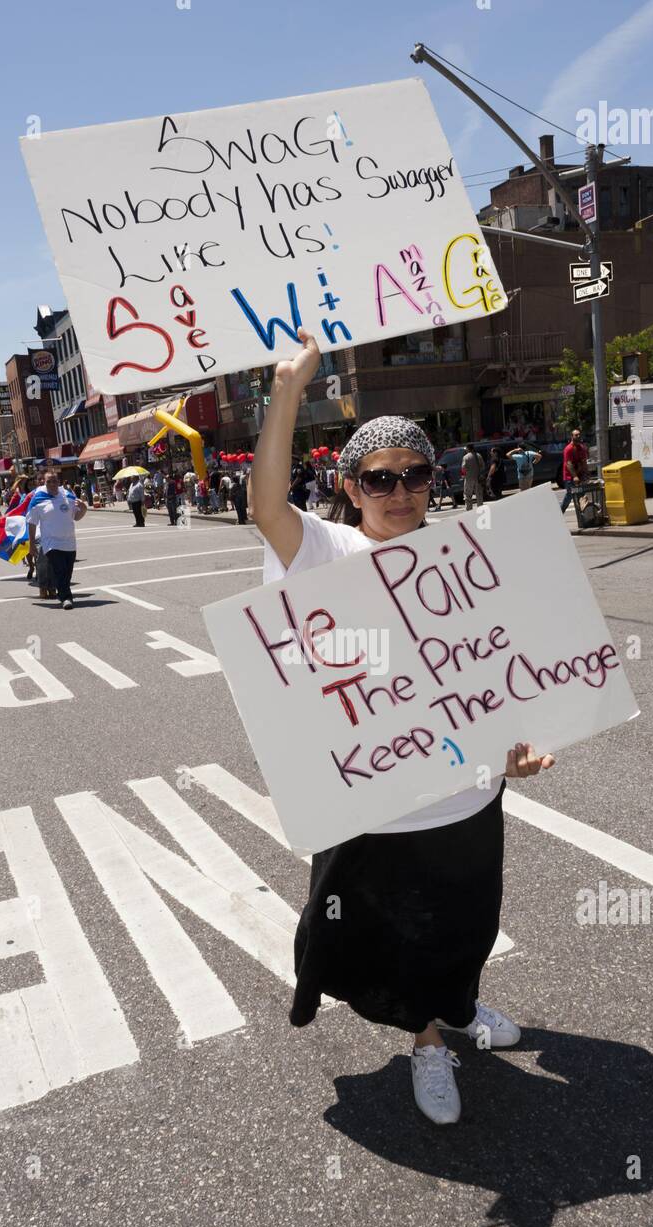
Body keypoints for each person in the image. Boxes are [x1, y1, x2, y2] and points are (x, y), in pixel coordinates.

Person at [252, 329, 556, 1126]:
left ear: (434, 481)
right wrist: (288, 388)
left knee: (466, 923)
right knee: (396, 937)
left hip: (467, 797)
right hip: (377, 809)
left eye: (416, 475)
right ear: (350, 487)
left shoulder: (465, 559)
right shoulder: (323, 550)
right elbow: (264, 505)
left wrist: (520, 746)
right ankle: (426, 1041)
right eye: (380, 478)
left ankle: (458, 1008)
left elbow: (499, 667)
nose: (401, 490)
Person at [26, 471, 86, 609]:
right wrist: (31, 545)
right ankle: (66, 597)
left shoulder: (68, 496)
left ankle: (62, 593)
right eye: (49, 482)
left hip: (69, 542)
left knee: (67, 571)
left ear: (58, 482)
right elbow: (31, 522)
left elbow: (76, 517)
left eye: (54, 481)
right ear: (44, 483)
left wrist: (84, 509)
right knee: (59, 570)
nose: (52, 484)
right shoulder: (38, 499)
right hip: (51, 543)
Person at [560, 429, 589, 512]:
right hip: (569, 477)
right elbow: (568, 464)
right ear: (572, 436)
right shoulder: (568, 449)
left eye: (579, 434)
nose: (578, 436)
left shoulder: (582, 448)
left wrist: (586, 473)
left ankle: (583, 514)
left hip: (579, 474)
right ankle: (561, 511)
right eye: (576, 435)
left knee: (582, 494)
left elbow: (584, 461)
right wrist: (575, 476)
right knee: (569, 495)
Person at [462, 444, 482, 511]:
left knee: (468, 495)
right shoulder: (479, 455)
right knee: (479, 495)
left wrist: (463, 475)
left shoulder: (466, 457)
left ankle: (469, 510)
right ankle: (480, 508)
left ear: (468, 449)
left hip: (469, 478)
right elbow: (483, 466)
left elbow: (463, 468)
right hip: (478, 477)